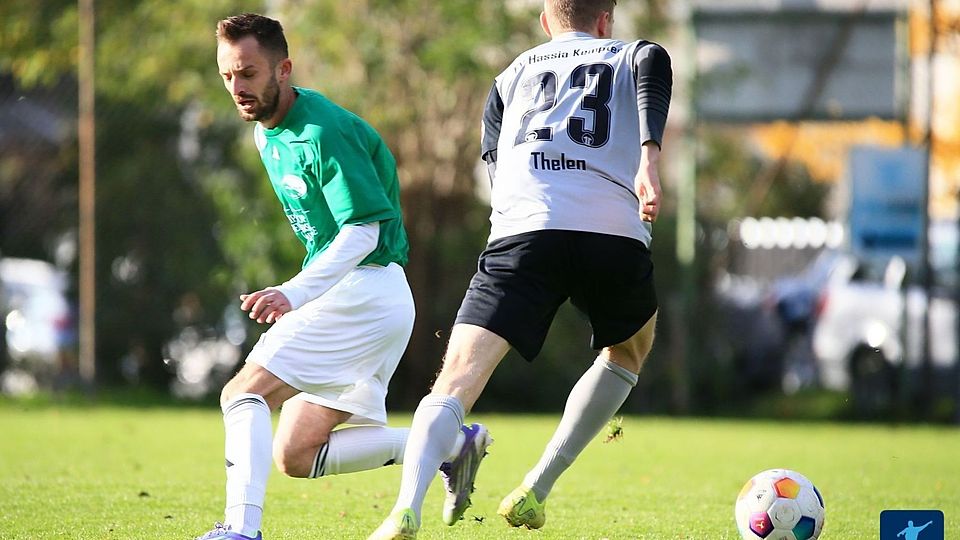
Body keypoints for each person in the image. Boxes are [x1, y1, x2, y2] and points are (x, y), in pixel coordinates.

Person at [369, 0, 671, 538]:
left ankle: (404, 508)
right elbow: (652, 75)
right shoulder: (635, 53)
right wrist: (649, 158)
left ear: (544, 22)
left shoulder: (509, 77)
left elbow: (494, 165)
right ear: (606, 20)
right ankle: (537, 487)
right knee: (628, 350)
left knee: (458, 375)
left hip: (523, 233)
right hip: (611, 231)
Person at [199, 13, 490, 540]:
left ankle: (241, 531)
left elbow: (364, 232)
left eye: (248, 73)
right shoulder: (269, 135)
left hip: (365, 289)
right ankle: (449, 445)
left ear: (283, 69)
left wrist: (294, 291)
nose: (237, 88)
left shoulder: (321, 130)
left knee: (243, 393)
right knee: (296, 454)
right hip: (367, 297)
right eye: (227, 76)